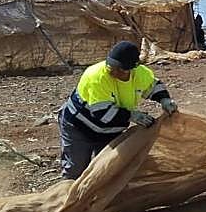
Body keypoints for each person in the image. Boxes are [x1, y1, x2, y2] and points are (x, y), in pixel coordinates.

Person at [58, 40, 178, 179]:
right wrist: (132, 116)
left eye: (119, 68)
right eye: (110, 66)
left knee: (107, 170)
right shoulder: (97, 77)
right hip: (78, 128)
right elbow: (102, 113)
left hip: (109, 132)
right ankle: (68, 197)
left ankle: (102, 199)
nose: (112, 71)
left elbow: (153, 87)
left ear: (131, 68)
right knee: (76, 169)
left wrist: (165, 99)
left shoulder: (140, 74)